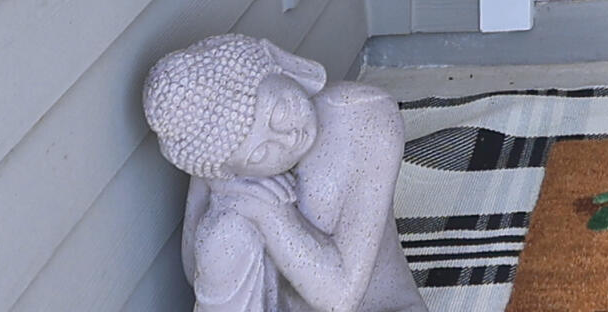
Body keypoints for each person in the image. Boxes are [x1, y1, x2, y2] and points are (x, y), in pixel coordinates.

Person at [142, 34, 426, 312]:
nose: (287, 138)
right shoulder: (228, 162)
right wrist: (220, 194)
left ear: (280, 64)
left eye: (278, 112)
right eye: (261, 153)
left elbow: (339, 300)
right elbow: (197, 271)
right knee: (225, 230)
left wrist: (272, 214)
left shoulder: (364, 117)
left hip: (376, 306)